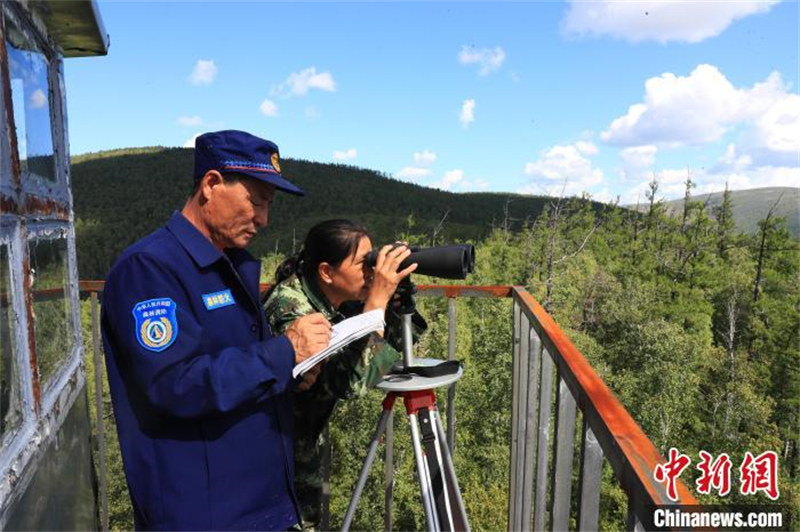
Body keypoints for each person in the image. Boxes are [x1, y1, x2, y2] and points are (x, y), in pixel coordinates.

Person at [101, 130, 331, 531]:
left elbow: (234, 363)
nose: (263, 219)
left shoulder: (230, 264)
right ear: (211, 184)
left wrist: (292, 373)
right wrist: (283, 352)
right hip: (204, 513)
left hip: (256, 502)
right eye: (256, 201)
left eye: (268, 205)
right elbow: (175, 384)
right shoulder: (149, 268)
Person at [262, 219, 427, 529]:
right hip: (274, 466)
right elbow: (351, 382)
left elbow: (383, 349)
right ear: (327, 272)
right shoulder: (290, 307)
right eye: (364, 264)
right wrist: (376, 303)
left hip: (298, 452)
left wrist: (392, 305)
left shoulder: (335, 300)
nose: (372, 273)